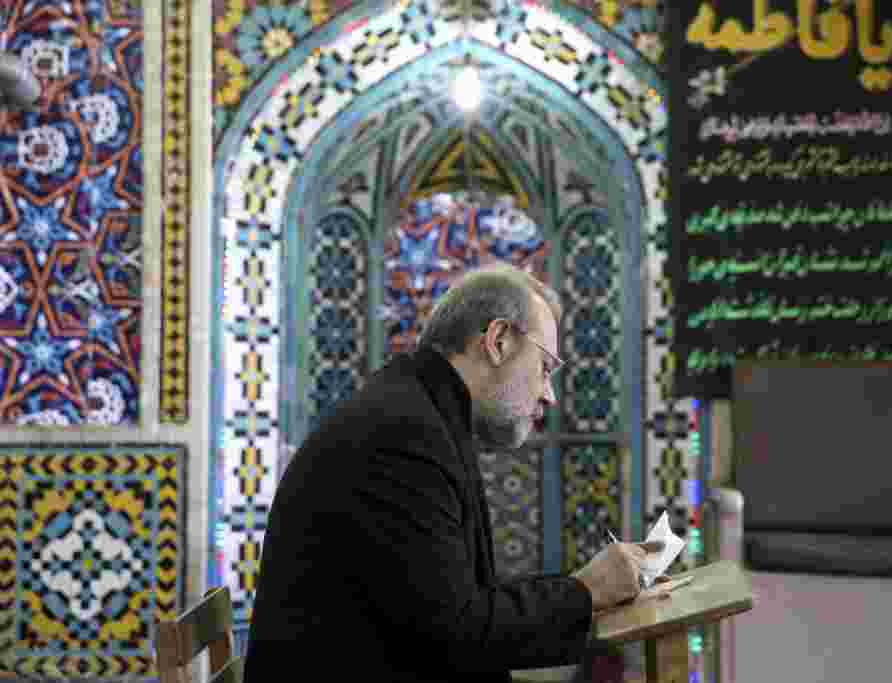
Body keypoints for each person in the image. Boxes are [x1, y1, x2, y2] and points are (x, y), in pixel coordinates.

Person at [243, 264, 662, 683]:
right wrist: (586, 592)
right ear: (498, 341)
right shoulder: (404, 432)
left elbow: (454, 603)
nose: (549, 395)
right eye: (545, 368)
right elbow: (458, 633)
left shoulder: (419, 410)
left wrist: (584, 588)